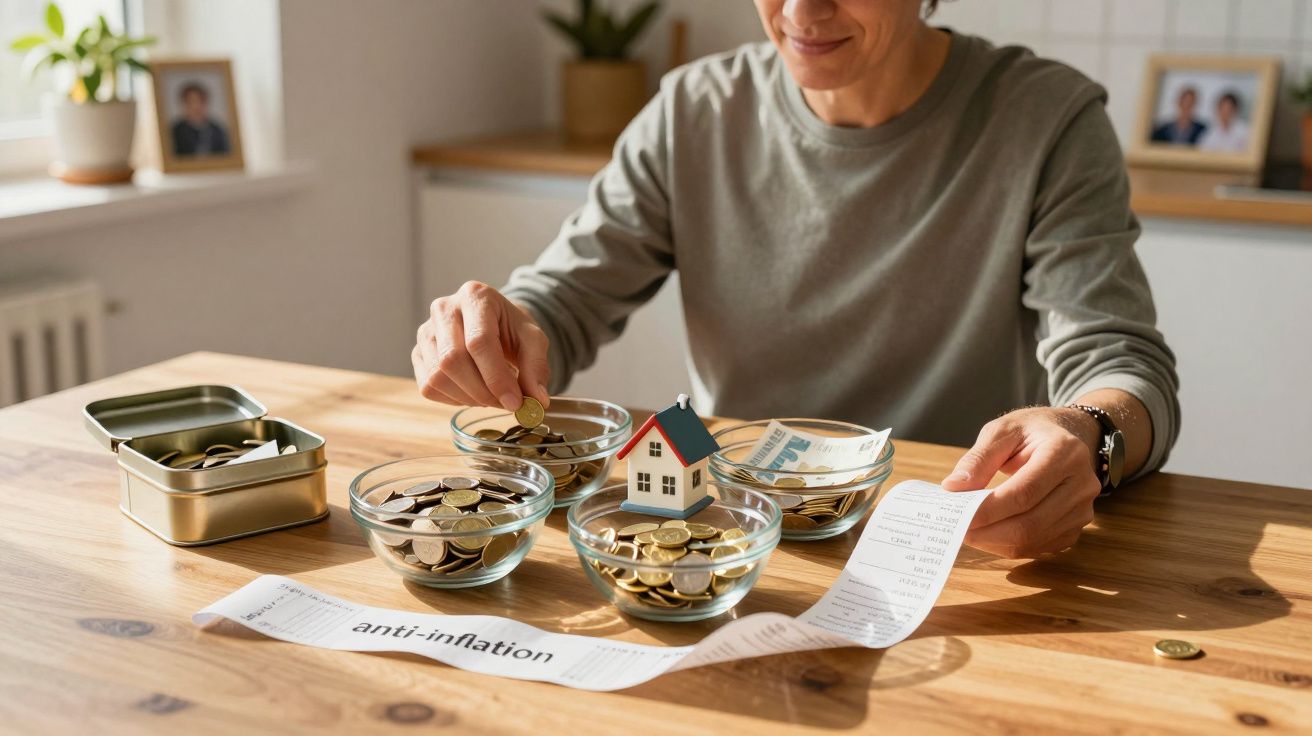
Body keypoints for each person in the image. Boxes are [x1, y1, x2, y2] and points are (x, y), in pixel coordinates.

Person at [411, 0, 1180, 560]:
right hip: (722, 546)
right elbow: (563, 302)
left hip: (954, 543)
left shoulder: (1046, 118)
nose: (802, 10)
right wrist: (503, 327)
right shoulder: (691, 111)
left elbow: (1120, 365)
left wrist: (1092, 432)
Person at [171, 82, 231, 157]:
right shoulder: (176, 131)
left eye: (200, 101)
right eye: (191, 102)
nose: (196, 106)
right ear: (184, 104)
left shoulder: (217, 130)